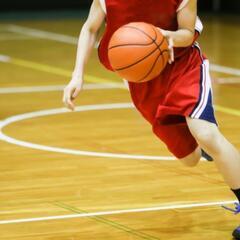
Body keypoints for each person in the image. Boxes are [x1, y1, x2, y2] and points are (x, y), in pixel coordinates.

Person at [63, 0, 240, 238]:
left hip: (182, 66)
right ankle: (199, 145)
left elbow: (188, 33)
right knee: (190, 159)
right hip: (143, 82)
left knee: (207, 134)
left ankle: (205, 142)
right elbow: (90, 28)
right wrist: (77, 75)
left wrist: (169, 37)